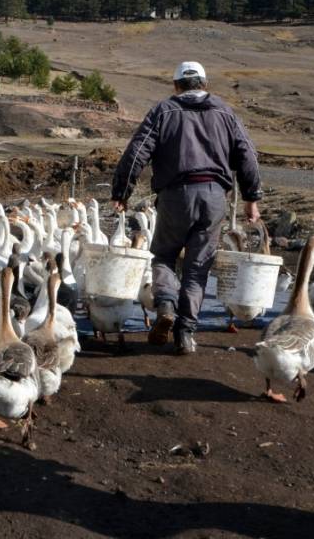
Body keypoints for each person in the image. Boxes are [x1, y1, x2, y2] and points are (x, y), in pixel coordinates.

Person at [111, 61, 262, 355]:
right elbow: (247, 153)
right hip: (214, 196)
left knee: (164, 254)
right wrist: (251, 197)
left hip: (175, 195)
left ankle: (166, 304)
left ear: (176, 85)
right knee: (197, 267)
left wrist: (122, 192)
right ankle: (186, 333)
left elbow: (137, 152)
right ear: (204, 84)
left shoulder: (163, 111)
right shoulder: (225, 112)